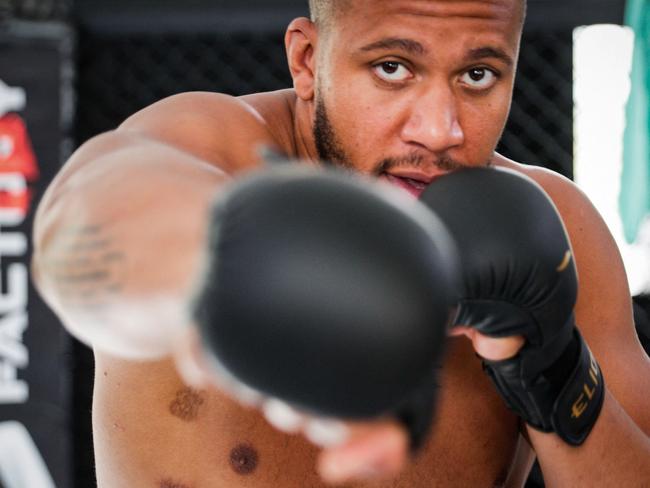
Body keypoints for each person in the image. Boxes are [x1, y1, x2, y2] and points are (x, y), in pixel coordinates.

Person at [31, 0, 650, 487]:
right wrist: (237, 260)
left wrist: (552, 367)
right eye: (392, 68)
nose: (440, 130)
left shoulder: (555, 228)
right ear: (306, 60)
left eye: (478, 75)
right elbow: (77, 228)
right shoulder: (210, 147)